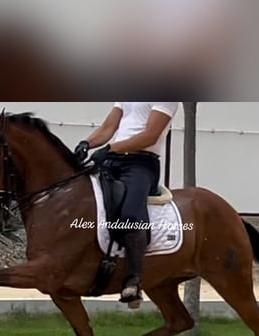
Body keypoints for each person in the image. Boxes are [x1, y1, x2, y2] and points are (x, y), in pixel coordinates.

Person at [74, 102, 180, 308]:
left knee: (131, 215)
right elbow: (108, 128)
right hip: (113, 160)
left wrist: (110, 148)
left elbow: (150, 135)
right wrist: (86, 143)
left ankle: (134, 281)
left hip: (141, 164)